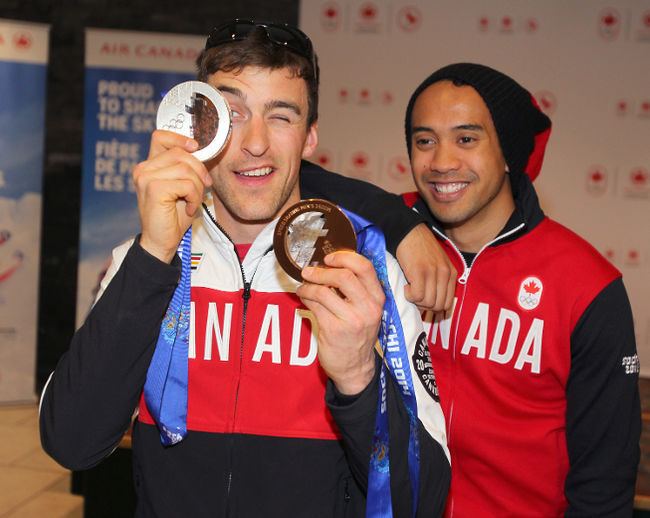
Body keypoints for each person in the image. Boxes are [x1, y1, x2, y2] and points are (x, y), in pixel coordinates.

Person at [40, 20, 451, 517]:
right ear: (200, 128)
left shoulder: (370, 276)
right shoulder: (145, 263)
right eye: (231, 114)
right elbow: (71, 442)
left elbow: (422, 503)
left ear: (309, 136)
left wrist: (360, 379)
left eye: (280, 116)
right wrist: (153, 253)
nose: (255, 142)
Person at [402, 63, 641, 517]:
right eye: (424, 140)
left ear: (508, 152)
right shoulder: (387, 242)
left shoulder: (588, 285)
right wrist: (401, 226)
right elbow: (307, 182)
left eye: (466, 139)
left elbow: (604, 485)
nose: (441, 161)